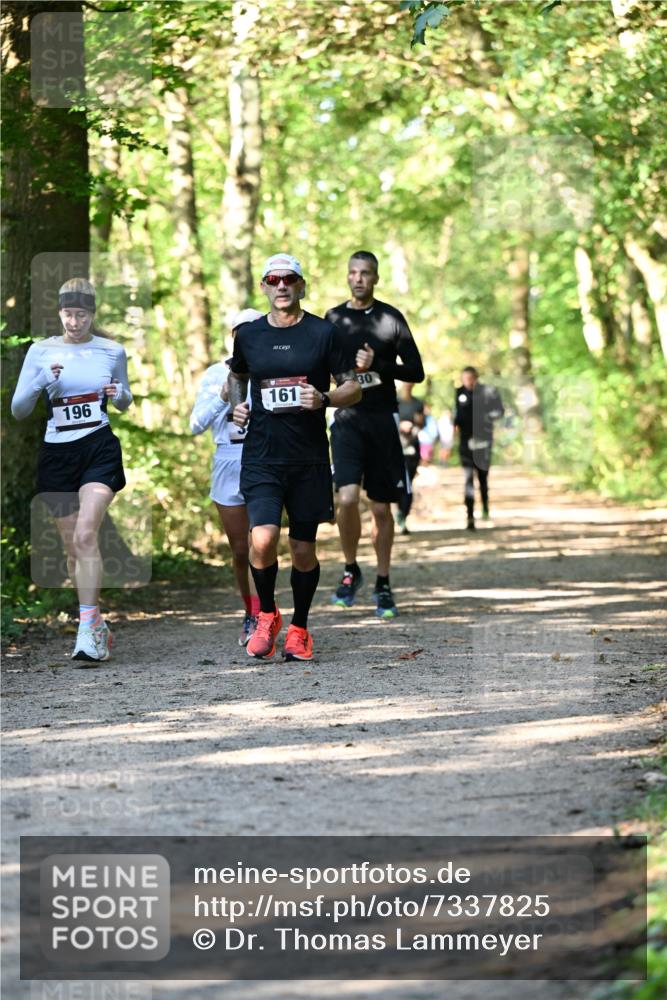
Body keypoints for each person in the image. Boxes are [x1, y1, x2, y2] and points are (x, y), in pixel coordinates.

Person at [228, 253, 360, 661]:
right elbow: (237, 377)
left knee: (303, 550)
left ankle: (300, 627)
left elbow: (352, 387)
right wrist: (237, 406)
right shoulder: (248, 335)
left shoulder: (324, 332)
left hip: (308, 459)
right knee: (262, 539)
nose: (281, 285)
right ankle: (267, 614)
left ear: (302, 286)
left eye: (290, 279)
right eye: (273, 279)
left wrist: (324, 398)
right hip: (262, 455)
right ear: (264, 287)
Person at [11, 277, 132, 662]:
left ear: (92, 314)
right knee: (73, 548)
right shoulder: (41, 351)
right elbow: (18, 409)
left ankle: (87, 627)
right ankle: (95, 621)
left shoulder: (111, 350)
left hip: (98, 447)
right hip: (57, 453)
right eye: (68, 313)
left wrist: (121, 395)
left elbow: (125, 400)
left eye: (81, 314)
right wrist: (43, 381)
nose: (74, 321)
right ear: (59, 313)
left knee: (84, 536)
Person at [326, 251, 424, 618]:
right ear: (347, 276)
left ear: (376, 278)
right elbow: (320, 367)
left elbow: (416, 371)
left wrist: (379, 365)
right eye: (353, 272)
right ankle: (351, 569)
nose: (358, 279)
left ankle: (383, 581)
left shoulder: (390, 318)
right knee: (347, 499)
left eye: (365, 273)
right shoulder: (334, 319)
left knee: (381, 508)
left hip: (382, 420)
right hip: (347, 419)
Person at [190, 308, 263, 646]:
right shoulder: (214, 374)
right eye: (240, 331)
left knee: (261, 545)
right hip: (228, 462)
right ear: (232, 336)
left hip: (264, 461)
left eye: (253, 329)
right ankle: (250, 612)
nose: (246, 336)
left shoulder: (273, 369)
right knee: (239, 549)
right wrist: (223, 396)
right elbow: (195, 425)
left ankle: (265, 614)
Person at [453, 366, 504, 530]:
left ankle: (485, 507)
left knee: (483, 478)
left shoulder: (488, 392)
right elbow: (458, 416)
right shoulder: (459, 393)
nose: (468, 382)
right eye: (465, 379)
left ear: (476, 378)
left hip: (483, 443)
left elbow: (499, 411)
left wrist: (486, 417)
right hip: (466, 444)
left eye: (471, 379)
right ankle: (469, 516)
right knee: (468, 479)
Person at [395, 383, 424, 536]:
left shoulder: (417, 403)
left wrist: (413, 426)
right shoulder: (393, 400)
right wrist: (399, 425)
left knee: (408, 484)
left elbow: (421, 423)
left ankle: (403, 517)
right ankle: (398, 511)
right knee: (398, 484)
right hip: (394, 448)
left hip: (412, 448)